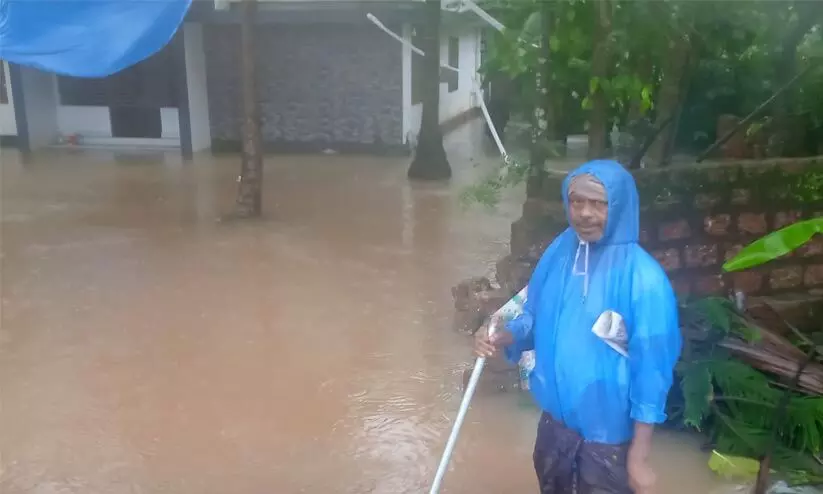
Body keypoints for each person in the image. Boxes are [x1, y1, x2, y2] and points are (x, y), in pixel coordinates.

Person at [475, 160, 682, 494]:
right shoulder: (560, 253)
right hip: (555, 429)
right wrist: (504, 334)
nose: (584, 213)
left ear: (619, 206)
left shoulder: (643, 279)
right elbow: (534, 316)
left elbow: (652, 372)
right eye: (577, 202)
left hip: (608, 442)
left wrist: (639, 458)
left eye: (598, 203)